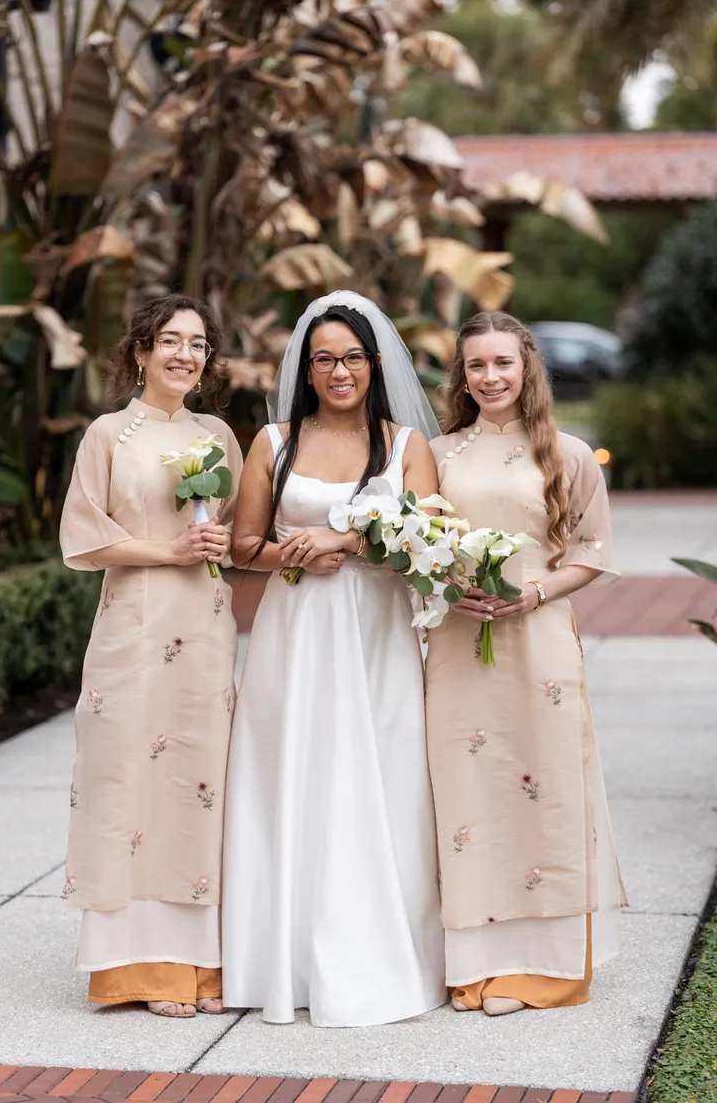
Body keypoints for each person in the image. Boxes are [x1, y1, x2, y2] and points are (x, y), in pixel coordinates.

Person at [221, 290, 446, 1027]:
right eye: (324, 359)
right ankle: (283, 959)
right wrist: (293, 553)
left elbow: (426, 539)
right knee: (292, 772)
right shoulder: (273, 442)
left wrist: (346, 542)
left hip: (376, 632)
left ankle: (382, 955)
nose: (339, 370)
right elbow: (241, 546)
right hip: (296, 630)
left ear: (374, 364)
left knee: (380, 772)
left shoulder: (408, 445)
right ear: (306, 368)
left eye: (352, 357)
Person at [425, 311, 626, 1016]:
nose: (490, 377)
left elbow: (594, 552)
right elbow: (415, 550)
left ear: (527, 368)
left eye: (503, 363)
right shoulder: (437, 453)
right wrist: (451, 591)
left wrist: (534, 591)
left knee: (544, 789)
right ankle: (476, 962)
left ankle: (545, 967)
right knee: (467, 793)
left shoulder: (565, 453)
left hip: (538, 641)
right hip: (459, 640)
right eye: (476, 365)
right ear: (462, 375)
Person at [59, 293, 243, 1018]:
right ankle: (130, 968)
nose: (184, 355)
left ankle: (195, 963)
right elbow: (82, 537)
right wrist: (165, 549)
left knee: (196, 779)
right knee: (125, 777)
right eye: (170, 340)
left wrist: (214, 544)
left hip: (203, 627)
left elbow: (228, 526)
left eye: (198, 345)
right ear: (140, 351)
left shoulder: (218, 436)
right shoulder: (109, 435)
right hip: (132, 625)